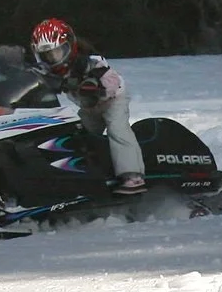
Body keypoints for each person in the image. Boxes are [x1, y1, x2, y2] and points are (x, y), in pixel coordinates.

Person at [26, 18, 145, 194]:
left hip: (112, 100)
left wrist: (95, 85)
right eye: (47, 56)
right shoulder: (47, 71)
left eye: (57, 53)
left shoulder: (90, 61)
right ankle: (84, 176)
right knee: (78, 137)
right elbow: (31, 77)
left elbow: (111, 79)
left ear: (70, 46)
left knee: (118, 130)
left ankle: (132, 175)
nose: (52, 59)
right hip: (88, 107)